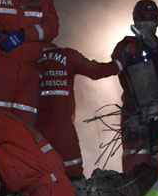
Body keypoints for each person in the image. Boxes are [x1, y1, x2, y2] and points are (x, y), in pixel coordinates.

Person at [35, 44, 121, 179]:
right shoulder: (67, 55)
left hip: (33, 124)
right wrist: (121, 63)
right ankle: (74, 192)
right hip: (62, 123)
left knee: (39, 168)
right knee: (72, 168)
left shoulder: (26, 55)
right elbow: (96, 71)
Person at [112, 0, 158, 171]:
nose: (148, 22)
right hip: (135, 113)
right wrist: (139, 46)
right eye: (143, 19)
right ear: (135, 22)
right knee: (137, 161)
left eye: (152, 18)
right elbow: (117, 65)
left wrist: (156, 49)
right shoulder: (125, 46)